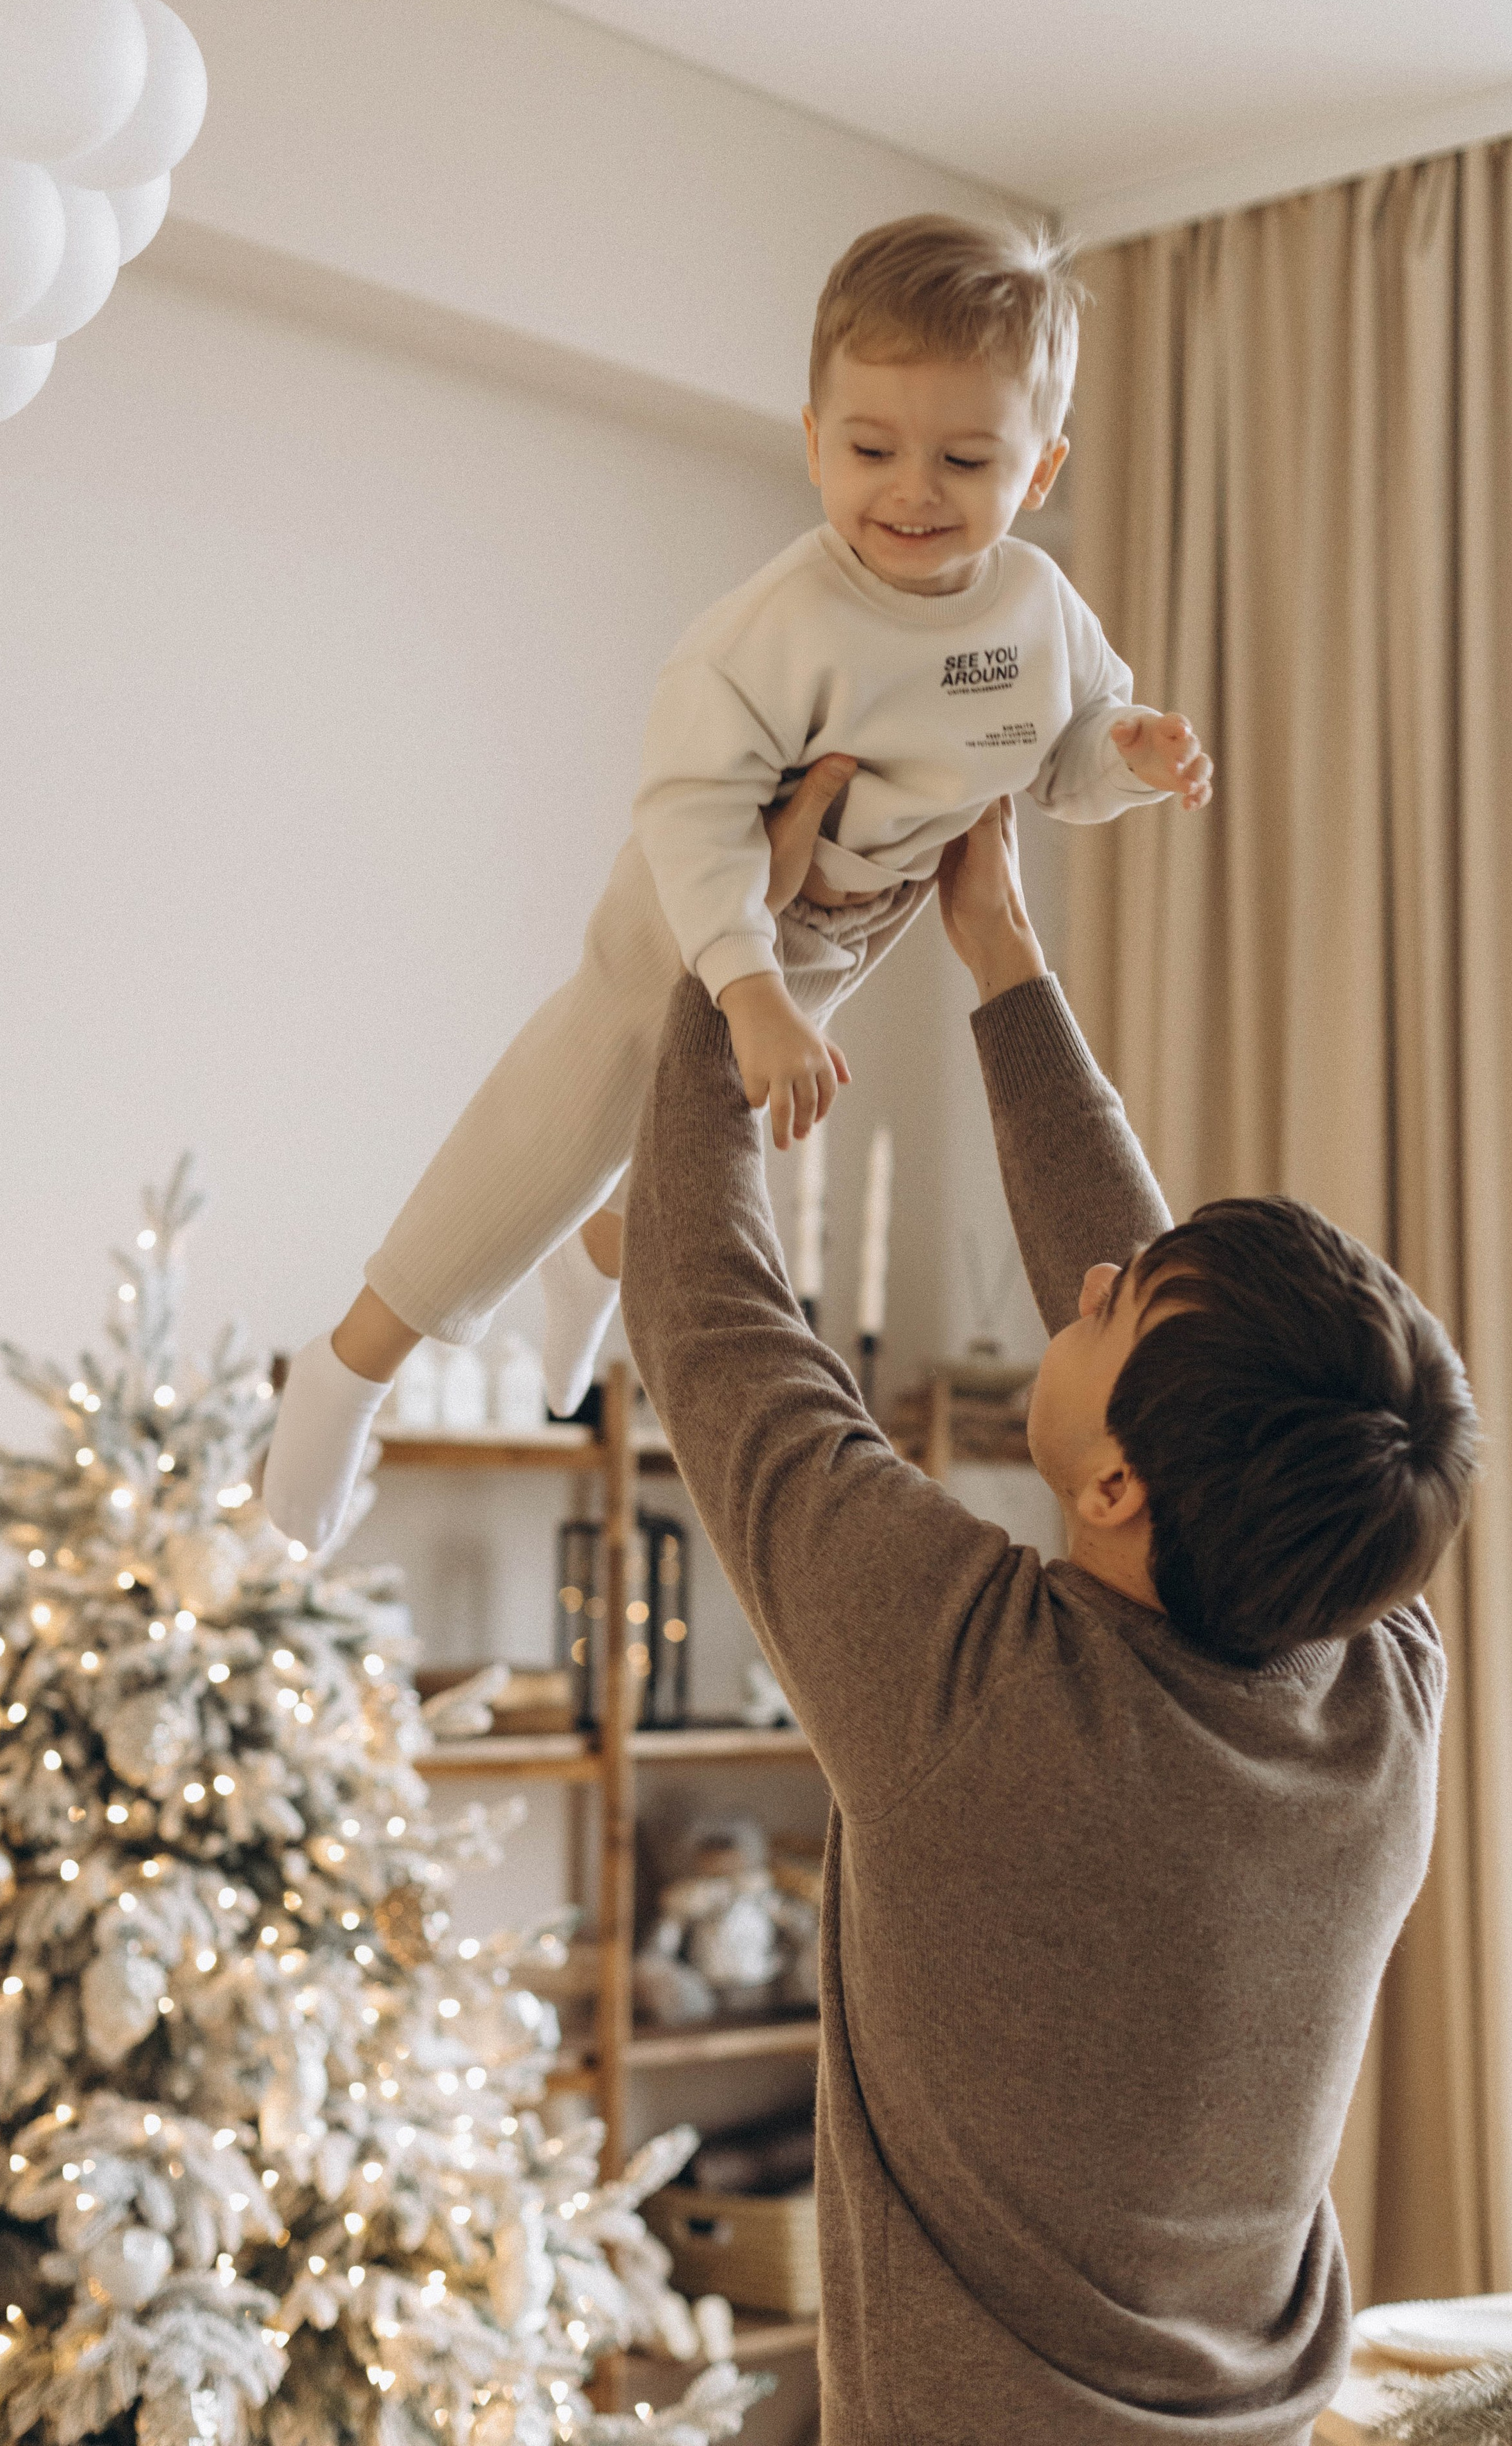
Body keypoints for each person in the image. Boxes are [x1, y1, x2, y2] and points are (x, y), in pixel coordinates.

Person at [618, 786, 1478, 2445]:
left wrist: (727, 950)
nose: (1086, 1284)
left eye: (1112, 1309)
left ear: (1115, 1493)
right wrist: (998, 952)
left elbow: (703, 1309)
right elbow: (1175, 1361)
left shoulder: (971, 1693)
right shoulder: (1381, 1681)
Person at [265, 213, 1213, 1556]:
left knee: (680, 1140)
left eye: (965, 458)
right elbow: (690, 812)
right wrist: (749, 980)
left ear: (1039, 467)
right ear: (813, 439)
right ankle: (350, 1363)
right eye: (871, 449)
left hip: (841, 924)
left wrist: (1131, 752)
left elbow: (1058, 750)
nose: (911, 490)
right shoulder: (775, 633)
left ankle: (596, 1258)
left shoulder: (1035, 609)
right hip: (698, 911)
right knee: (558, 1121)